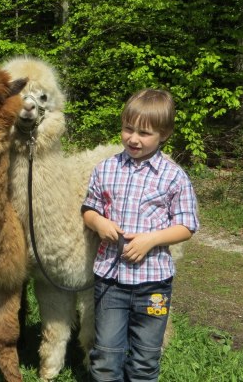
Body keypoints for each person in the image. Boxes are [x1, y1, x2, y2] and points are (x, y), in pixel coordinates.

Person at [81, 89, 199, 382]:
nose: (133, 138)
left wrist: (151, 239)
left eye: (144, 133)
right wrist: (98, 223)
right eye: (127, 129)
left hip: (153, 284)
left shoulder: (173, 176)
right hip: (111, 281)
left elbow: (186, 226)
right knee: (106, 355)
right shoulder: (106, 169)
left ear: (164, 134)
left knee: (146, 358)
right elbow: (88, 208)